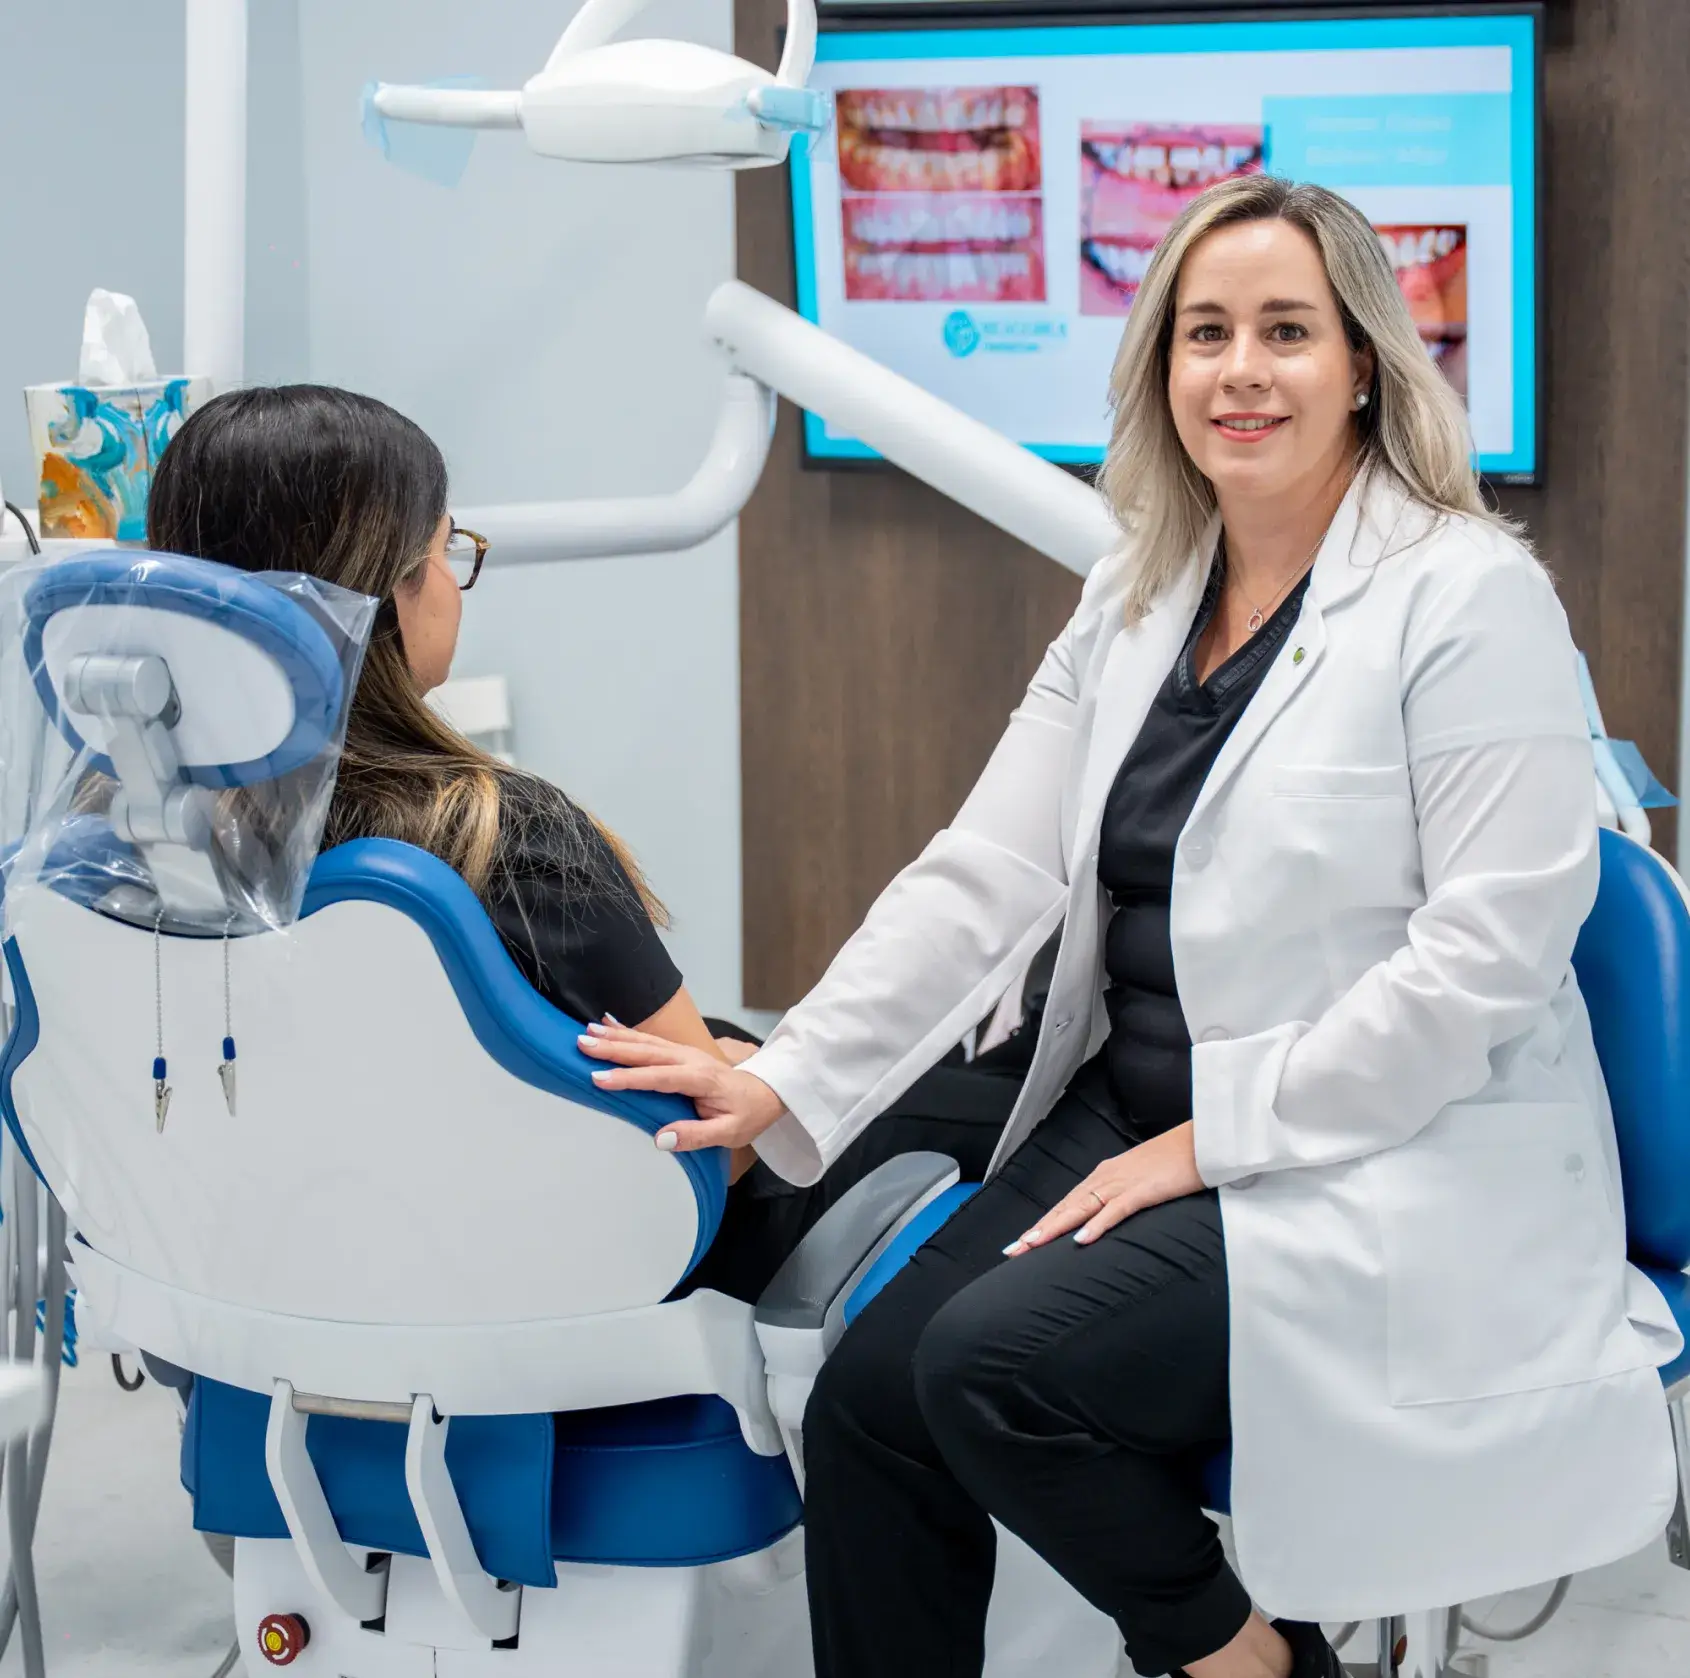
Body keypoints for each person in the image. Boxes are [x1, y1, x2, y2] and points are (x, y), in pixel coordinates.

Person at [577, 175, 1685, 1678]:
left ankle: (1259, 1665)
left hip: (1379, 1146)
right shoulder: (1140, 588)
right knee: (869, 1404)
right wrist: (782, 1076)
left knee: (993, 1372)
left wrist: (1212, 1132)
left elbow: (1478, 968)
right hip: (1135, 1104)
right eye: (1203, 330)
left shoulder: (1466, 597)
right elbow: (985, 865)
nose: (1240, 369)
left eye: (1286, 330)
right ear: (1161, 365)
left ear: (1363, 361)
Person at [142, 384, 1020, 1303]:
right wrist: (766, 1074)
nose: (454, 578)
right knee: (993, 1093)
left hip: (329, 1257)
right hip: (622, 1264)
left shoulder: (150, 844)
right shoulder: (501, 839)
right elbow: (709, 1149)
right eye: (447, 549)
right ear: (386, 595)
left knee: (739, 1038)